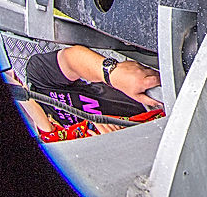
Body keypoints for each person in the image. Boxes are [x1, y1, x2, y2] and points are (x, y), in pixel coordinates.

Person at [20, 45, 163, 140]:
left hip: (147, 95)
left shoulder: (38, 81)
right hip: (153, 138)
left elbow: (71, 60)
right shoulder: (55, 151)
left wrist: (111, 73)